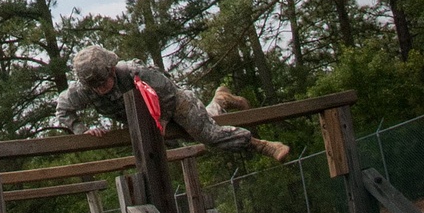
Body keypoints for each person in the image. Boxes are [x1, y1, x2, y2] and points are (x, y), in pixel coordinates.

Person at [53, 45, 291, 161]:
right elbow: (63, 108)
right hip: (144, 119)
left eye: (104, 81)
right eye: (95, 86)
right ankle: (220, 99)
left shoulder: (132, 72)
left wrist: (163, 118)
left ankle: (263, 145)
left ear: (110, 69)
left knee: (207, 134)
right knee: (187, 136)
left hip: (173, 103)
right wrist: (81, 130)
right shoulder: (82, 90)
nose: (101, 88)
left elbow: (166, 90)